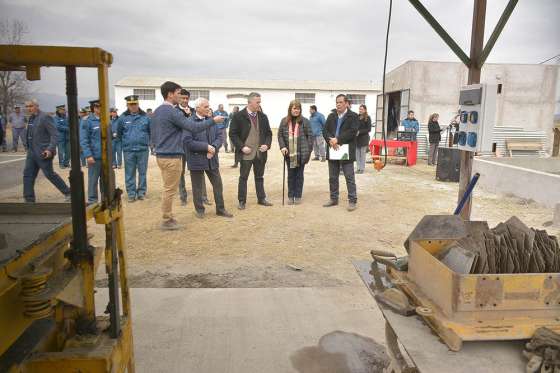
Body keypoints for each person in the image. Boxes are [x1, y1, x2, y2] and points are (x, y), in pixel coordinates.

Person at [151, 81, 224, 230]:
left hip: (161, 155)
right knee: (170, 190)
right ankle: (167, 220)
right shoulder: (173, 112)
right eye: (178, 93)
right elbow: (193, 127)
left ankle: (168, 218)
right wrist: (212, 121)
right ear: (170, 94)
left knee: (168, 189)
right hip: (172, 156)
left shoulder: (157, 111)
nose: (181, 96)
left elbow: (152, 132)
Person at [184, 98, 233, 219]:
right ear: (198, 108)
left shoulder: (212, 121)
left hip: (212, 159)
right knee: (197, 187)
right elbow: (188, 142)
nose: (208, 108)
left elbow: (219, 137)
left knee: (218, 184)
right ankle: (199, 210)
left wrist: (214, 148)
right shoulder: (188, 122)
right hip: (196, 159)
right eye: (205, 107)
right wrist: (206, 147)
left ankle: (220, 209)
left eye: (208, 106)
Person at [229, 92, 273, 210]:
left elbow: (269, 133)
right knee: (243, 177)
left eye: (260, 102)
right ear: (249, 102)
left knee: (259, 177)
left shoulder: (263, 116)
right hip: (246, 154)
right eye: (257, 102)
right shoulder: (238, 116)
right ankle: (242, 201)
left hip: (260, 153)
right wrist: (242, 147)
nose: (259, 104)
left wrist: (267, 145)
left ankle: (261, 198)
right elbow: (232, 134)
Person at [22, 99, 71, 202]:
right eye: (27, 106)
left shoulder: (44, 117)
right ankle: (29, 199)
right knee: (28, 175)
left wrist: (49, 149)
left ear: (36, 106)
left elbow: (55, 135)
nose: (28, 108)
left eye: (30, 106)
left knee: (49, 174)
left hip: (43, 152)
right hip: (31, 152)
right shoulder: (31, 118)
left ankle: (68, 192)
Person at [323, 94, 359, 211]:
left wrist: (338, 139)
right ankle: (334, 198)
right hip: (333, 149)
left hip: (346, 150)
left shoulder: (353, 116)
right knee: (333, 177)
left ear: (346, 103)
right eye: (336, 102)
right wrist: (331, 141)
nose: (338, 104)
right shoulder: (331, 116)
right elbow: (325, 131)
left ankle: (352, 200)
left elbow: (352, 132)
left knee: (349, 176)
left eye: (340, 102)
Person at [176, 89, 210, 206]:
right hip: (180, 146)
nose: (185, 100)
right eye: (182, 98)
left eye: (187, 98)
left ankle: (203, 197)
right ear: (178, 98)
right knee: (180, 172)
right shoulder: (174, 111)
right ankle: (183, 197)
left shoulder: (194, 110)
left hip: (194, 146)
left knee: (200, 170)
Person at [114, 95, 151, 202]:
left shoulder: (145, 117)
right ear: (127, 105)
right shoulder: (122, 118)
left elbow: (150, 132)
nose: (133, 106)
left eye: (135, 104)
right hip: (129, 150)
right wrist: (126, 144)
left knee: (142, 172)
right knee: (129, 172)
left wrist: (148, 143)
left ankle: (141, 193)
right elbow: (119, 134)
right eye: (131, 104)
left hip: (143, 150)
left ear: (138, 104)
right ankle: (131, 193)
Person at [277, 100, 313, 205]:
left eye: (298, 108)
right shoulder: (284, 121)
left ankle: (297, 195)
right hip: (289, 154)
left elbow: (310, 137)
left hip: (301, 154)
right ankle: (290, 195)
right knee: (291, 175)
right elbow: (280, 135)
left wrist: (308, 150)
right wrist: (282, 147)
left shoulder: (305, 121)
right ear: (290, 109)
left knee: (299, 175)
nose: (296, 110)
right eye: (294, 108)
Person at [80, 99, 106, 204]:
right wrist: (88, 155)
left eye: (101, 107)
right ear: (93, 108)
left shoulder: (106, 119)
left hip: (105, 155)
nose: (99, 109)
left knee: (105, 180)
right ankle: (92, 200)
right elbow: (84, 139)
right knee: (93, 180)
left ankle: (105, 199)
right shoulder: (87, 121)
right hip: (94, 156)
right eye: (97, 107)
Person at [356, 104, 372, 174]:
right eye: (359, 109)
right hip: (356, 138)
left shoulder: (367, 118)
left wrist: (360, 132)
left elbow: (369, 129)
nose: (360, 110)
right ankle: (358, 168)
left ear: (365, 110)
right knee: (357, 154)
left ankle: (362, 168)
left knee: (362, 154)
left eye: (362, 109)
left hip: (364, 138)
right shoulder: (357, 117)